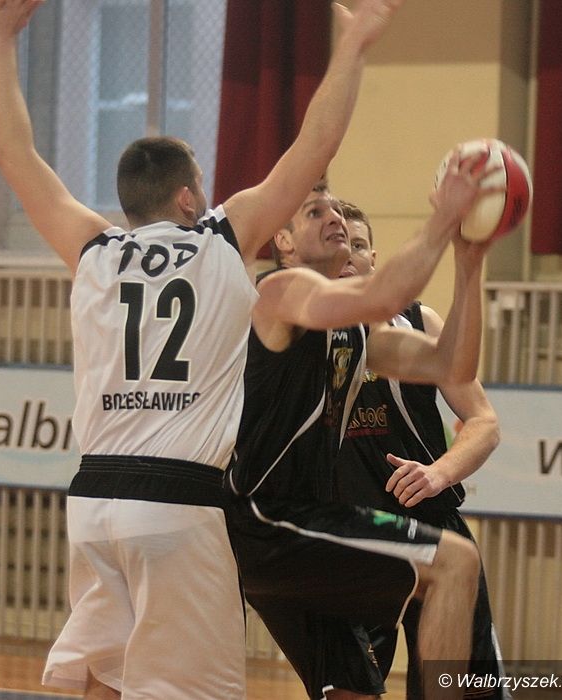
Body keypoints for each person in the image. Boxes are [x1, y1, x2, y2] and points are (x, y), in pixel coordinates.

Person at [0, 0, 406, 697]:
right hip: (179, 503)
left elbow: (13, 157)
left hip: (92, 502)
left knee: (102, 679)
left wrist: (0, 40)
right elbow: (315, 148)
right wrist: (355, 43)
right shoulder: (220, 239)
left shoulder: (93, 248)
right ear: (187, 199)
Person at [225, 160, 502, 700]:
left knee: (354, 691)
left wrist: (469, 264)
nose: (333, 218)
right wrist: (444, 218)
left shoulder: (356, 330)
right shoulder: (281, 291)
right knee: (456, 562)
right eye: (315, 211)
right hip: (266, 518)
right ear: (283, 240)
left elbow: (452, 365)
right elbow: (381, 297)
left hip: (313, 525)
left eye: (336, 209)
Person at [335, 202, 510, 699]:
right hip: (350, 534)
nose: (349, 255)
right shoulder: (298, 333)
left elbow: (484, 422)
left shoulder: (416, 321)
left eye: (360, 245)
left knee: (461, 689)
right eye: (341, 243)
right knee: (351, 688)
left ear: (375, 259)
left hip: (432, 525)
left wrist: (439, 473)